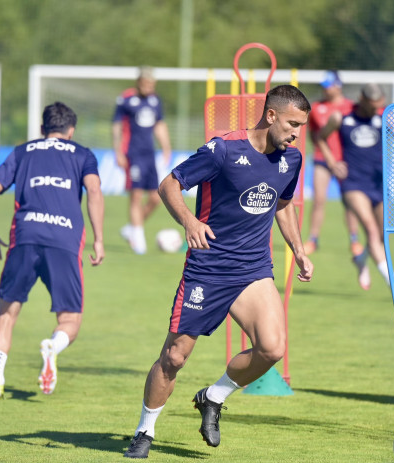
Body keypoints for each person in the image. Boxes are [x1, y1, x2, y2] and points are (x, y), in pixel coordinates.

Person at [123, 85, 313, 459]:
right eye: (292, 123)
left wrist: (299, 249)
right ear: (270, 115)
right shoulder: (224, 149)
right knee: (174, 357)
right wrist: (190, 222)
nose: (296, 132)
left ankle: (213, 397)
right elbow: (169, 184)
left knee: (273, 348)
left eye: (301, 126)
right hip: (208, 268)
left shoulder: (292, 159)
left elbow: (283, 205)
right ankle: (145, 431)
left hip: (253, 269)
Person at [0, 101, 105, 399]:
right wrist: (99, 239)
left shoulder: (23, 151)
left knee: (7, 313)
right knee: (70, 319)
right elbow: (95, 191)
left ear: (41, 129)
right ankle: (53, 346)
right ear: (71, 131)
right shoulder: (83, 154)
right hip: (65, 240)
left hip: (25, 236)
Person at [317, 83, 394, 294]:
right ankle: (392, 278)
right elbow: (319, 138)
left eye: (380, 106)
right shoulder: (341, 117)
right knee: (371, 229)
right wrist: (331, 163)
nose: (376, 110)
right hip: (352, 183)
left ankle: (361, 260)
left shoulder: (385, 117)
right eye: (373, 106)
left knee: (384, 235)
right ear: (362, 100)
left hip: (377, 182)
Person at [304, 70, 364, 263]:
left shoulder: (351, 107)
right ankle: (313, 239)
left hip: (345, 161)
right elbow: (313, 134)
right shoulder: (316, 108)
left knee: (350, 202)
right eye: (324, 86)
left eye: (329, 86)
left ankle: (354, 240)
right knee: (319, 200)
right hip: (322, 159)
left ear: (338, 86)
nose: (326, 90)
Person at [113, 66, 172, 254]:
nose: (149, 88)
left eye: (152, 85)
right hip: (132, 153)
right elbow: (117, 127)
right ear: (139, 83)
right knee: (136, 195)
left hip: (149, 155)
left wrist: (166, 147)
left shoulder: (155, 101)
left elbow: (159, 125)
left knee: (156, 197)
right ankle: (139, 241)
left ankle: (131, 229)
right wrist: (118, 152)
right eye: (146, 84)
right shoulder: (126, 100)